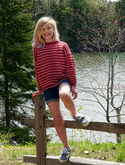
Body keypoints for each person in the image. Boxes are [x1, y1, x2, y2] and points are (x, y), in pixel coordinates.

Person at [32, 16, 90, 163]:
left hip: (62, 81)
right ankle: (66, 147)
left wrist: (73, 85)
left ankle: (76, 114)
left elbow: (70, 65)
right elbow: (38, 69)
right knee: (57, 118)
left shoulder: (62, 45)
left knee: (64, 94)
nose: (47, 31)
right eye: (43, 29)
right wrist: (40, 89)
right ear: (39, 31)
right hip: (47, 86)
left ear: (54, 29)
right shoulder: (37, 49)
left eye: (49, 28)